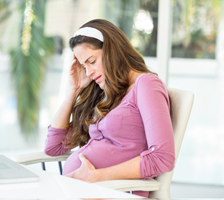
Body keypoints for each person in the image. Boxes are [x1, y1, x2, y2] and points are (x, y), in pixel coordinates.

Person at [44, 19, 175, 197]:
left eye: (92, 61)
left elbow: (162, 158)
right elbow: (54, 147)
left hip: (114, 193)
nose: (88, 72)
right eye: (84, 66)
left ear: (112, 51)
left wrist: (96, 177)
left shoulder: (146, 85)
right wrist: (74, 90)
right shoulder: (105, 93)